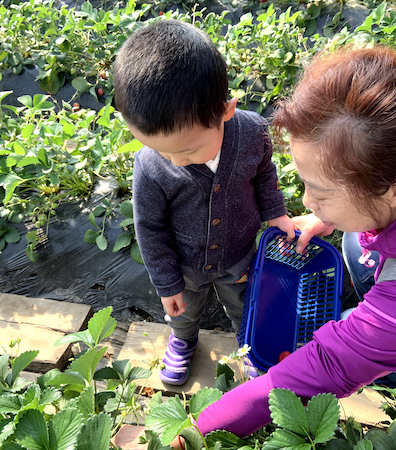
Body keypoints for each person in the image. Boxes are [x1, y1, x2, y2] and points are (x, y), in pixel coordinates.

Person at [192, 46, 396, 437]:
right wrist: (329, 213)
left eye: (321, 194)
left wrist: (195, 431)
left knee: (339, 327)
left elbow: (329, 365)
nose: (307, 203)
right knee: (355, 245)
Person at [112, 19, 295, 386]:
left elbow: (263, 176)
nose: (175, 160)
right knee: (184, 310)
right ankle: (183, 340)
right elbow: (150, 227)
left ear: (225, 112)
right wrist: (166, 283)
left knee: (246, 306)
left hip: (241, 256)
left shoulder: (253, 133)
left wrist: (276, 213)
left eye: (189, 150)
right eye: (160, 150)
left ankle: (249, 346)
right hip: (185, 267)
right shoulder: (150, 164)